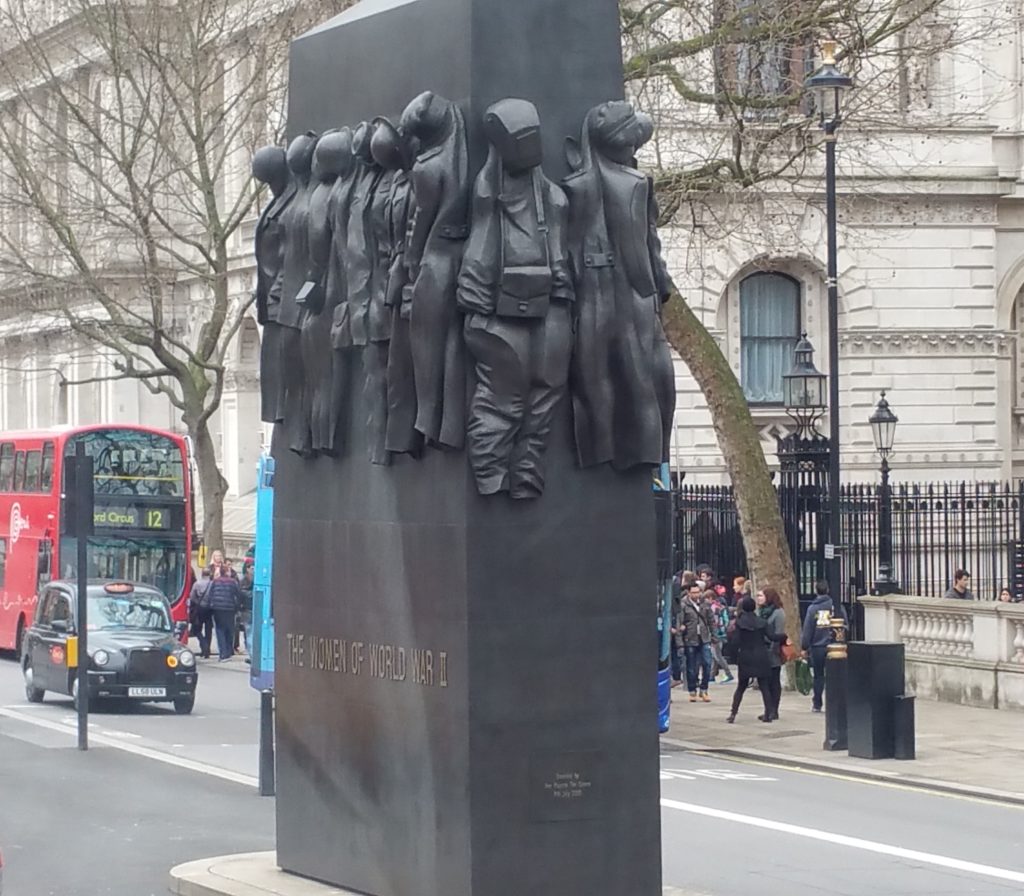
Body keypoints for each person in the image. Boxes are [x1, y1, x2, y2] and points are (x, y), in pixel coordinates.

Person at [725, 596, 788, 723]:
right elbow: (772, 636)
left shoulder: (739, 623)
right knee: (764, 686)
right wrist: (784, 636)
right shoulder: (761, 622)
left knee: (741, 686)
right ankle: (768, 713)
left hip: (746, 656)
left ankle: (733, 713)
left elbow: (735, 641)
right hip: (761, 655)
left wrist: (733, 655)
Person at [800, 579, 848, 713]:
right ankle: (836, 702)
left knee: (818, 676)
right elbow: (845, 624)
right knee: (835, 676)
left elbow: (808, 629)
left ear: (816, 590)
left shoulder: (813, 608)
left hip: (818, 647)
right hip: (834, 645)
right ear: (828, 590)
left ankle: (817, 703)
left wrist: (804, 646)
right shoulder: (836, 606)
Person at [680, 581, 715, 703]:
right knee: (691, 667)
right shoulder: (684, 605)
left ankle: (704, 689)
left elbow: (711, 621)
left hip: (704, 638)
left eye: (698, 592)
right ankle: (692, 690)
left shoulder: (705, 604)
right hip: (690, 638)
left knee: (707, 663)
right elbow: (680, 623)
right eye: (693, 592)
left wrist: (714, 636)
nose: (696, 595)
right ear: (689, 593)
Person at [756, 586, 786, 721]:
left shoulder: (778, 613)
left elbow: (779, 633)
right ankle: (768, 709)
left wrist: (774, 652)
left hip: (773, 651)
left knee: (773, 681)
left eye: (761, 596)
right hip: (761, 650)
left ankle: (774, 710)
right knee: (765, 683)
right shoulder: (760, 612)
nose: (758, 598)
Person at [206, 564, 242, 662]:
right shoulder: (233, 582)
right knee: (229, 630)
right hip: (230, 609)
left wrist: (210, 607)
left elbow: (210, 594)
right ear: (227, 572)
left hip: (217, 609)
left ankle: (222, 653)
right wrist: (238, 607)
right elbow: (238, 595)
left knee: (219, 630)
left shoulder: (215, 582)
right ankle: (228, 651)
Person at [708, 589, 734, 684]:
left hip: (716, 635)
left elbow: (713, 623)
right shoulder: (721, 607)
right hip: (722, 634)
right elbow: (725, 621)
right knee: (715, 655)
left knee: (717, 655)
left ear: (710, 598)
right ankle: (711, 676)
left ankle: (729, 674)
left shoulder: (714, 608)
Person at [187, 568, 213, 659]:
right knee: (208, 629)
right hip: (210, 609)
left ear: (202, 574)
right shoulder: (212, 584)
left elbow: (192, 596)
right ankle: (207, 650)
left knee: (197, 629)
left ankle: (204, 645)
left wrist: (197, 602)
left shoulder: (197, 584)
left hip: (200, 609)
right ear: (210, 574)